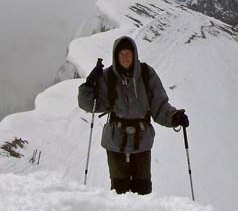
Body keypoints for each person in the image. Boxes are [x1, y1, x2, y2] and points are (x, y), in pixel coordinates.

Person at [78, 35, 189, 195]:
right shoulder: (108, 77)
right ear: (116, 56)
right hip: (115, 141)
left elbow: (159, 106)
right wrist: (89, 85)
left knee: (142, 190)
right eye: (121, 54)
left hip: (141, 141)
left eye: (128, 54)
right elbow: (88, 104)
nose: (125, 58)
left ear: (134, 55)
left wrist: (174, 117)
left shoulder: (146, 74)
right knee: (119, 190)